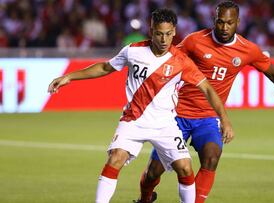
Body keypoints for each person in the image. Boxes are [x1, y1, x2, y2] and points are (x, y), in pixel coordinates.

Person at [48, 8, 233, 203]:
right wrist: (69, 76)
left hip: (165, 124)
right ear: (151, 30)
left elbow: (208, 89)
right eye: (159, 34)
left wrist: (225, 119)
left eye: (168, 34)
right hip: (133, 120)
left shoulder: (182, 61)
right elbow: (104, 67)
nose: (164, 39)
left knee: (185, 168)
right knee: (115, 158)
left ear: (174, 32)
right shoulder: (133, 51)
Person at [136, 1, 274, 203]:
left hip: (208, 118)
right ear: (214, 21)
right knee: (153, 172)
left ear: (238, 22)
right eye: (220, 22)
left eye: (229, 23)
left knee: (212, 156)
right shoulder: (195, 41)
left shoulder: (247, 49)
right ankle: (145, 197)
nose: (224, 28)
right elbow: (168, 61)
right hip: (176, 115)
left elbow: (273, 73)